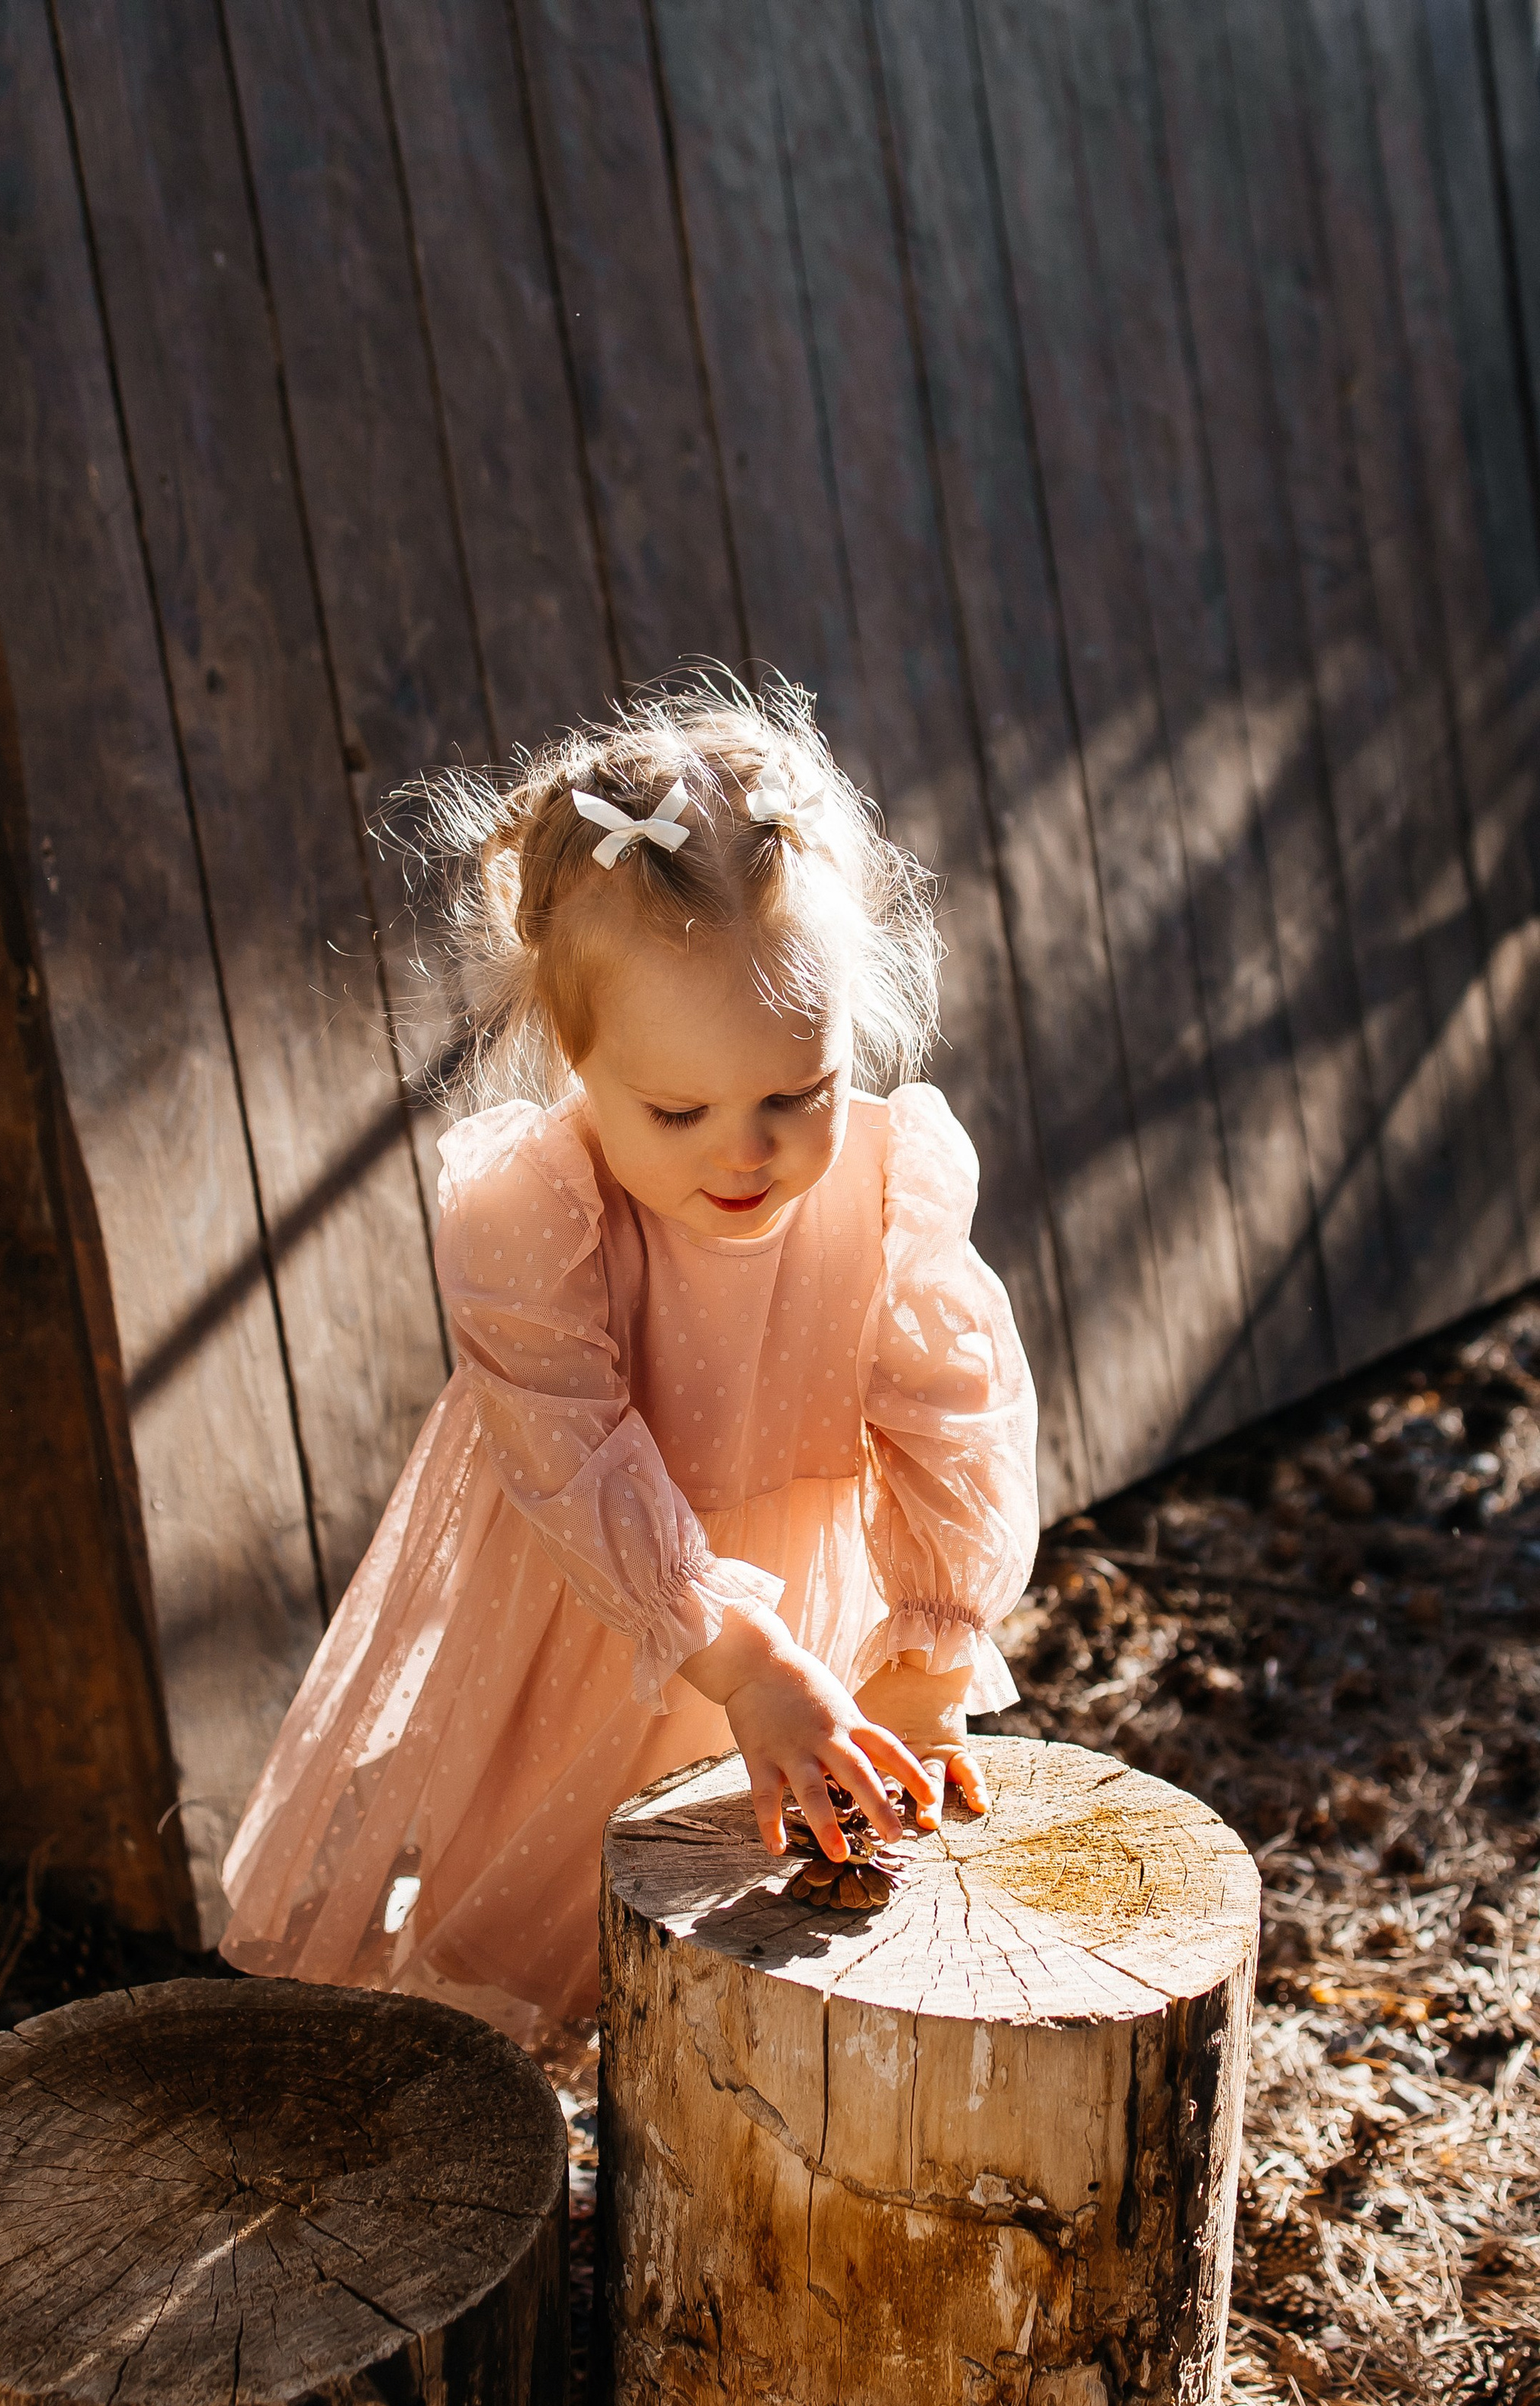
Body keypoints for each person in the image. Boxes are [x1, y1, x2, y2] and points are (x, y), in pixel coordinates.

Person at [219, 675, 1039, 2048]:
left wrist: (930, 1655)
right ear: (573, 1055)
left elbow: (953, 1413)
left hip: (815, 1603)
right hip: (603, 1607)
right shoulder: (532, 1217)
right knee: (544, 1923)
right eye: (679, 1108)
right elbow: (572, 1452)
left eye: (800, 1092)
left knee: (769, 1939)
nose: (747, 1149)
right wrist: (744, 1659)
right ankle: (510, 2137)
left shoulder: (895, 1181)